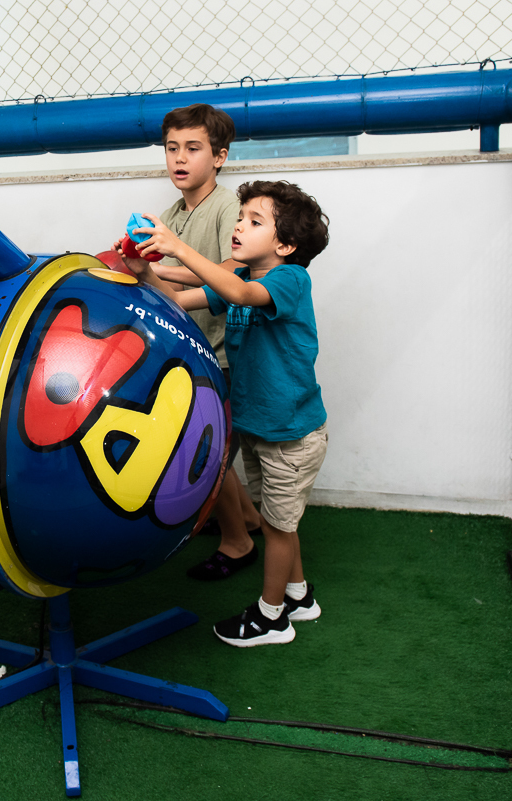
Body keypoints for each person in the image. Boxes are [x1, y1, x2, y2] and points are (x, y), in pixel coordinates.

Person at [124, 179, 330, 647]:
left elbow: (238, 295)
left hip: (292, 435)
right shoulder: (246, 280)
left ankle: (272, 617)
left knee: (278, 528)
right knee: (280, 519)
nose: (239, 225)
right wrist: (144, 271)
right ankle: (298, 595)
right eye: (241, 217)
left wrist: (175, 246)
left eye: (254, 222)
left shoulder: (289, 280)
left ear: (286, 244)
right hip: (262, 428)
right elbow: (176, 299)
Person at [127, 103, 264, 581]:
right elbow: (167, 280)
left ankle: (238, 542)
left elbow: (234, 273)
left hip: (221, 353)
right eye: (171, 149)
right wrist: (141, 265)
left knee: (209, 452)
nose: (179, 159)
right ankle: (246, 519)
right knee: (216, 448)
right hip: (188, 350)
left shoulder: (229, 208)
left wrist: (165, 266)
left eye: (193, 149)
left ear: (219, 157)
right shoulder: (170, 214)